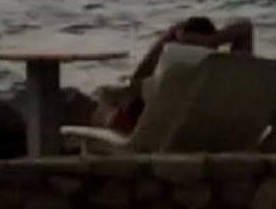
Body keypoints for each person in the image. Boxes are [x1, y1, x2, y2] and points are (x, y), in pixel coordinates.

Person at [102, 14, 254, 132]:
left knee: (111, 97)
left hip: (155, 128)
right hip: (211, 130)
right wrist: (212, 40)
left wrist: (173, 33)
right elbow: (245, 27)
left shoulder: (167, 80)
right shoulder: (226, 80)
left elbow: (137, 78)